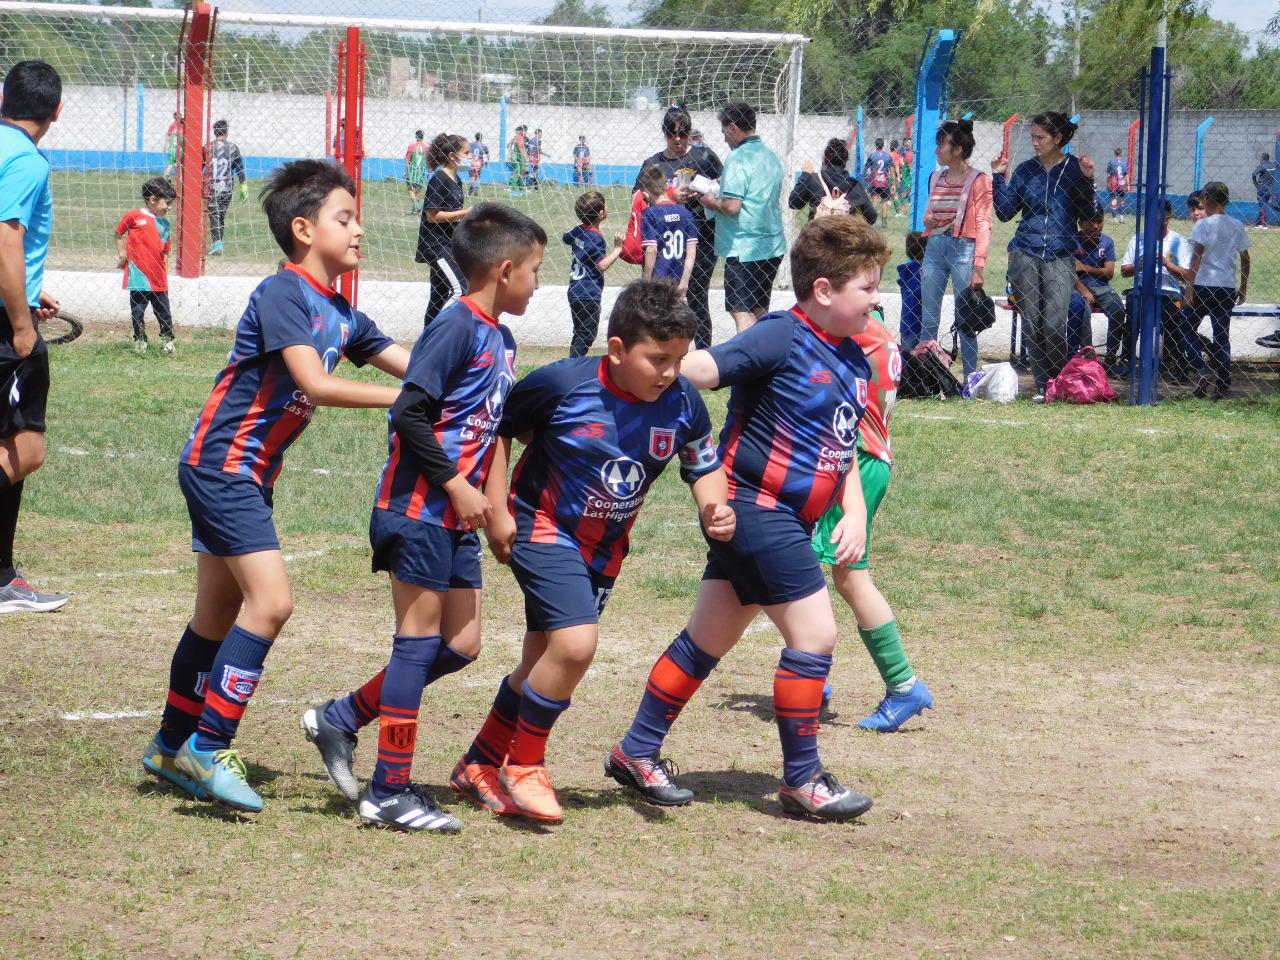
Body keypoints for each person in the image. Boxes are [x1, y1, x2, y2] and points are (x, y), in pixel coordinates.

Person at [143, 159, 411, 812]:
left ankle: (170, 746)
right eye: (345, 218)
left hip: (243, 474)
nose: (358, 230)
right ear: (303, 229)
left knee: (216, 615)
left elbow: (416, 365)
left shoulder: (340, 311)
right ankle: (210, 748)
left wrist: (476, 377)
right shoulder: (283, 293)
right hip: (223, 467)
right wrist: (407, 401)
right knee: (272, 603)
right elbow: (316, 384)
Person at [605, 215, 884, 822]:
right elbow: (704, 368)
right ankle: (804, 779)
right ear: (824, 290)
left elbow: (842, 448)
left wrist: (855, 509)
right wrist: (646, 374)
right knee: (815, 635)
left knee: (708, 638)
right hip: (756, 509)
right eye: (867, 287)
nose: (876, 297)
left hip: (781, 519)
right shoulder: (782, 336)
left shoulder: (853, 360)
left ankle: (635, 750)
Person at [449, 279, 734, 823]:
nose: (670, 372)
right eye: (658, 359)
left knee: (543, 660)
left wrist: (712, 508)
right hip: (542, 525)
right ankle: (525, 766)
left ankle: (479, 763)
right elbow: (500, 430)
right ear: (617, 350)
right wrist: (498, 509)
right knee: (576, 645)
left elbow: (703, 465)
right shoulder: (564, 383)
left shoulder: (683, 403)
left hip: (605, 550)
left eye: (679, 360)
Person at [303, 203, 544, 831]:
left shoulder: (501, 338)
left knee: (461, 645)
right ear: (506, 269)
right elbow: (408, 412)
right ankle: (388, 789)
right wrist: (457, 486)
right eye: (535, 271)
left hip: (458, 517)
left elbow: (490, 429)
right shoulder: (456, 326)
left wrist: (495, 509)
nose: (538, 284)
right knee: (416, 644)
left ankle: (341, 717)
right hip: (417, 510)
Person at [811, 306, 932, 731]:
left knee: (843, 576)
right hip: (861, 459)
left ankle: (901, 684)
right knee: (818, 567)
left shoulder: (856, 331)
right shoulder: (874, 326)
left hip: (855, 463)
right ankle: (814, 674)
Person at [0, 59, 67, 615]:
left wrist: (26, 290)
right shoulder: (26, 160)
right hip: (4, 327)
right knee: (26, 448)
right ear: (56, 111)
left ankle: (3, 577)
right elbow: (6, 238)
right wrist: (21, 322)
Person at [992, 111, 1097, 402]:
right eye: (1033, 137)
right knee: (1032, 323)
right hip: (1026, 252)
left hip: (1060, 255)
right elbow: (1005, 212)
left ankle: (1058, 380)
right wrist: (998, 177)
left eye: (1041, 137)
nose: (1035, 142)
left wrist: (1088, 180)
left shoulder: (1075, 169)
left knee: (1053, 323)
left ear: (1058, 138)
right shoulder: (1026, 170)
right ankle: (1043, 386)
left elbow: (1089, 215)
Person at [638, 105, 723, 349]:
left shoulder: (703, 156)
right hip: (663, 244)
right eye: (671, 133)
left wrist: (703, 193)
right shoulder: (653, 163)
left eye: (683, 133)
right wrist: (670, 196)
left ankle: (703, 352)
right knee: (661, 298)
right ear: (664, 133)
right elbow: (639, 197)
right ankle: (661, 349)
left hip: (700, 238)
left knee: (696, 296)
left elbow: (723, 185)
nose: (677, 139)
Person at [698, 101, 787, 333]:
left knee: (740, 311)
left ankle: (750, 355)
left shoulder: (737, 158)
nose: (724, 140)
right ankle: (766, 351)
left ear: (733, 128)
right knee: (759, 309)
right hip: (771, 245)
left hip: (745, 248)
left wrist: (710, 201)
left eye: (724, 133)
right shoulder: (770, 156)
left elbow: (732, 206)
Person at [916, 119, 992, 378]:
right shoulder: (935, 177)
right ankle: (926, 377)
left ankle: (970, 378)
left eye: (941, 145)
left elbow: (984, 222)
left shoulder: (979, 180)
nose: (937, 150)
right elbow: (930, 212)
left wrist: (978, 266)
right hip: (935, 247)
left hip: (963, 250)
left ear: (958, 149)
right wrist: (928, 221)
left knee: (965, 318)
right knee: (929, 317)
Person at [1119, 200, 1206, 389]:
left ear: (1167, 219)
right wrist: (1139, 265)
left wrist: (1167, 264)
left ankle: (1179, 364)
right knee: (1133, 312)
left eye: (1158, 219)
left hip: (1169, 291)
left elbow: (1187, 275)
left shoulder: (1179, 241)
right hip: (1142, 289)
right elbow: (1124, 271)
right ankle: (1127, 359)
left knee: (1173, 318)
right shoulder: (1138, 239)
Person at [1186, 181, 1250, 400]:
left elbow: (1196, 258)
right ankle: (1223, 384)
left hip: (1203, 285)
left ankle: (1201, 368)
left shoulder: (1203, 225)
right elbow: (1246, 258)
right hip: (1226, 287)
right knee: (1222, 336)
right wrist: (1243, 287)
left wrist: (1189, 289)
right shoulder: (1236, 225)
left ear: (1206, 199)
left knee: (1185, 328)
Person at [115, 176, 178, 354]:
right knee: (137, 312)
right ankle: (140, 340)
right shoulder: (134, 216)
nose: (170, 207)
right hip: (138, 277)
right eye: (167, 203)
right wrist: (122, 255)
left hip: (158, 279)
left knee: (164, 313)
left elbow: (166, 250)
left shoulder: (165, 223)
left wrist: (165, 272)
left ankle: (167, 340)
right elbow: (118, 233)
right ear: (152, 200)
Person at [415, 133, 469, 326]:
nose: (471, 157)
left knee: (439, 294)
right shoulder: (439, 179)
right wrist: (465, 212)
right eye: (467, 153)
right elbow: (432, 216)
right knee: (462, 291)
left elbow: (453, 214)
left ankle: (428, 336)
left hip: (449, 244)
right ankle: (444, 331)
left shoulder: (457, 180)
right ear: (453, 156)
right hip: (436, 246)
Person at [563, 190, 624, 357]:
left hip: (574, 290)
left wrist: (579, 230)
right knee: (587, 333)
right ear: (601, 213)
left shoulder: (578, 230)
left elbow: (565, 238)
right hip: (589, 293)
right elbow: (601, 265)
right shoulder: (596, 238)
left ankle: (574, 361)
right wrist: (618, 249)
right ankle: (574, 364)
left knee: (579, 331)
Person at [1070, 205, 1126, 368]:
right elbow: (1069, 271)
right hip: (1078, 287)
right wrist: (1083, 290)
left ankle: (1110, 358)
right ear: (1080, 223)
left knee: (1118, 309)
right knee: (1082, 309)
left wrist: (1084, 267)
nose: (1095, 226)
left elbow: (1109, 273)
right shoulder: (1073, 241)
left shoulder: (1106, 242)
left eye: (1099, 221)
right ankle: (1087, 356)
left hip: (1102, 288)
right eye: (1090, 222)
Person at [638, 165, 698, 299]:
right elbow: (691, 250)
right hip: (678, 279)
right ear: (666, 187)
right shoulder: (686, 213)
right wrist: (684, 282)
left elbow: (651, 250)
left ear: (645, 194)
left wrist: (646, 281)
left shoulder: (650, 214)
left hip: (657, 281)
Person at [788, 138, 876, 225]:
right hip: (844, 233)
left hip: (816, 233)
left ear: (824, 158)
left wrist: (805, 175)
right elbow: (872, 217)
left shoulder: (813, 180)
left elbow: (794, 203)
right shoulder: (854, 186)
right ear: (845, 161)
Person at [204, 119, 246, 257]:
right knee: (220, 215)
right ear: (226, 132)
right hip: (227, 187)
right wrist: (243, 185)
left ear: (214, 132)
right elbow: (239, 168)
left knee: (215, 215)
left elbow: (199, 166)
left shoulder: (207, 147)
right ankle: (218, 244)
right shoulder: (233, 148)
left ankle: (217, 244)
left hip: (212, 187)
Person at [897, 232, 926, 349]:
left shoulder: (908, 270)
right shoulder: (921, 272)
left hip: (906, 324)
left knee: (908, 355)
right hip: (919, 325)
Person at [864, 137, 895, 223]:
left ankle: (872, 220)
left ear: (876, 145)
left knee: (874, 200)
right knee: (885, 201)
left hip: (874, 181)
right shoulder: (888, 156)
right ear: (883, 145)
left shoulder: (872, 155)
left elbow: (866, 168)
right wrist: (893, 182)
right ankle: (884, 221)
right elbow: (892, 169)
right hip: (884, 182)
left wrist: (865, 177)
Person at [404, 129, 429, 215]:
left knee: (410, 189)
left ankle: (416, 205)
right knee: (418, 190)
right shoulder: (426, 148)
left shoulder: (411, 146)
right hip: (421, 171)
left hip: (412, 170)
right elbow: (427, 160)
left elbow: (407, 160)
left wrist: (404, 171)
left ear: (416, 136)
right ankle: (415, 208)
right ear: (423, 137)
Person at [1251, 152, 1277, 228]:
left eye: (1260, 158)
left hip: (1262, 189)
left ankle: (1264, 223)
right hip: (1270, 190)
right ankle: (1257, 223)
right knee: (1263, 205)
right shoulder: (1273, 166)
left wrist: (1256, 184)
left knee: (1262, 206)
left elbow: (1253, 174)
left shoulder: (1262, 165)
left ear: (1262, 158)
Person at [1106, 149, 1128, 222]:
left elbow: (1108, 174)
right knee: (1121, 200)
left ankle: (1115, 218)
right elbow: (1126, 174)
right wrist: (1127, 185)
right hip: (1122, 183)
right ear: (1121, 153)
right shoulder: (1124, 162)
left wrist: (1108, 183)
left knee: (1113, 200)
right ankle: (1121, 218)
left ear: (1115, 153)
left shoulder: (1111, 162)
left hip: (1113, 183)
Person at [508, 125, 529, 198]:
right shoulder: (519, 137)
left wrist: (526, 156)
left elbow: (523, 148)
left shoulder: (523, 137)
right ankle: (513, 191)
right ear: (520, 131)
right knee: (517, 174)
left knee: (520, 174)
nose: (525, 132)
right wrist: (526, 157)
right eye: (523, 130)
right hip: (516, 157)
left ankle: (521, 190)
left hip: (519, 157)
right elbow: (520, 148)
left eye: (526, 130)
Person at [467, 132, 489, 196]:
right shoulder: (484, 146)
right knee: (476, 176)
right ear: (481, 138)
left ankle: (474, 186)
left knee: (472, 177)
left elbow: (467, 151)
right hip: (480, 162)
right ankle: (474, 187)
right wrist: (487, 161)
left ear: (475, 137)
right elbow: (487, 154)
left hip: (472, 162)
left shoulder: (471, 144)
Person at [163, 111, 181, 178]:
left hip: (177, 147)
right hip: (174, 148)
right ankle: (167, 177)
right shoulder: (174, 125)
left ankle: (177, 178)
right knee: (172, 163)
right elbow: (168, 135)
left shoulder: (181, 125)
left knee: (175, 163)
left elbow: (168, 135)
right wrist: (165, 145)